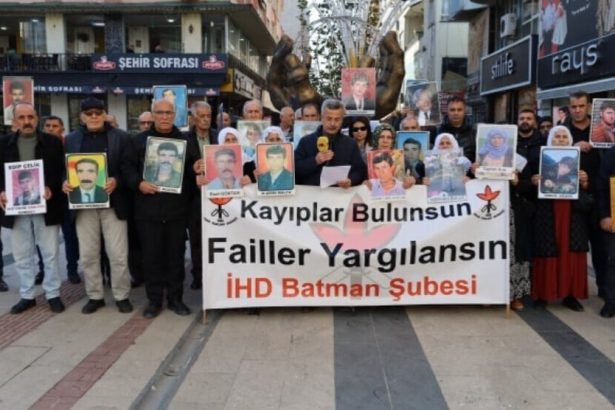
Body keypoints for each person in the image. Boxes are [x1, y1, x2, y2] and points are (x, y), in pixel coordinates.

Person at [126, 98, 199, 318]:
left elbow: (193, 170)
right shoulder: (139, 141)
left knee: (176, 258)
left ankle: (176, 299)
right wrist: (139, 183)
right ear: (153, 115)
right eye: (160, 113)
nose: (165, 117)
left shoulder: (186, 141)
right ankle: (154, 301)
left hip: (177, 211)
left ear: (174, 115)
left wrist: (197, 168)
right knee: (152, 258)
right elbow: (127, 168)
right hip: (148, 211)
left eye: (168, 113)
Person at [64, 97, 133, 314]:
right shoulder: (71, 139)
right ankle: (95, 295)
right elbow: (63, 169)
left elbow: (130, 167)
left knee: (118, 254)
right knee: (88, 254)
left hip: (114, 204)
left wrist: (117, 180)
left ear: (104, 114)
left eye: (98, 112)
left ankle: (121, 295)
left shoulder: (121, 137)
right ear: (81, 116)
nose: (94, 116)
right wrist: (64, 182)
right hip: (83, 205)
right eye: (89, 113)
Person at [0, 103, 65, 314]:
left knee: (50, 253)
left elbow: (61, 171)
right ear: (14, 120)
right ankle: (27, 295)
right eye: (22, 117)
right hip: (16, 208)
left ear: (37, 118)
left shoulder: (52, 142)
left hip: (46, 206)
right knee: (21, 254)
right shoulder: (4, 143)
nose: (27, 121)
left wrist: (51, 186)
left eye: (31, 117)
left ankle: (53, 294)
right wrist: (2, 191)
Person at [530, 125, 590, 311]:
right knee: (546, 251)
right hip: (547, 211)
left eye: (565, 137)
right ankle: (543, 294)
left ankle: (570, 295)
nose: (561, 140)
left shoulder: (581, 160)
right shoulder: (539, 159)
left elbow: (592, 188)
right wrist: (533, 181)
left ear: (570, 140)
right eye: (557, 136)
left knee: (570, 251)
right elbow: (526, 185)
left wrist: (585, 181)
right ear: (551, 139)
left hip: (572, 212)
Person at [564, 91, 605, 298]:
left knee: (602, 248)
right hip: (572, 199)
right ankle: (572, 293)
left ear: (588, 106)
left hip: (599, 197)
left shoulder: (601, 129)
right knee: (575, 248)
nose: (578, 110)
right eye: (574, 107)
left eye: (581, 106)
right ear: (569, 108)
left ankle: (605, 290)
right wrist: (572, 148)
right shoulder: (563, 131)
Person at [41, 115, 80, 285]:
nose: (51, 128)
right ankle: (42, 270)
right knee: (43, 239)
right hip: (47, 199)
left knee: (71, 237)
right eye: (48, 126)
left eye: (55, 126)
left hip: (66, 198)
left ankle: (72, 270)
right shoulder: (39, 146)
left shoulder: (69, 145)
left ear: (62, 129)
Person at [295, 99, 366, 187]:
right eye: (329, 119)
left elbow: (360, 170)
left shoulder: (350, 144)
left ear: (342, 120)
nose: (333, 123)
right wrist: (315, 161)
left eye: (337, 119)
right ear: (322, 118)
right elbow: (295, 169)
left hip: (340, 193)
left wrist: (351, 180)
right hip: (312, 194)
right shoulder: (306, 141)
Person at [185, 101, 217, 290]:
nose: (206, 119)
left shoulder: (218, 136)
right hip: (195, 198)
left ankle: (215, 274)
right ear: (194, 118)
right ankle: (198, 275)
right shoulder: (184, 139)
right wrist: (193, 170)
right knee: (196, 239)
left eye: (208, 116)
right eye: (202, 116)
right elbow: (180, 169)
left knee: (216, 238)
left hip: (217, 196)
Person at [423, 133, 472, 199]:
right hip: (437, 197)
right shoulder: (430, 162)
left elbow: (472, 178)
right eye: (441, 143)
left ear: (453, 145)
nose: (445, 146)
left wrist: (469, 181)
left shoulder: (463, 161)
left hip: (458, 197)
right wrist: (424, 182)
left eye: (448, 143)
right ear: (437, 146)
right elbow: (424, 181)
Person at [437, 96, 476, 162]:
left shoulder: (474, 132)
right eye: (452, 110)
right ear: (447, 111)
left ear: (464, 111)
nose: (456, 113)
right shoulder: (437, 131)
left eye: (459, 110)